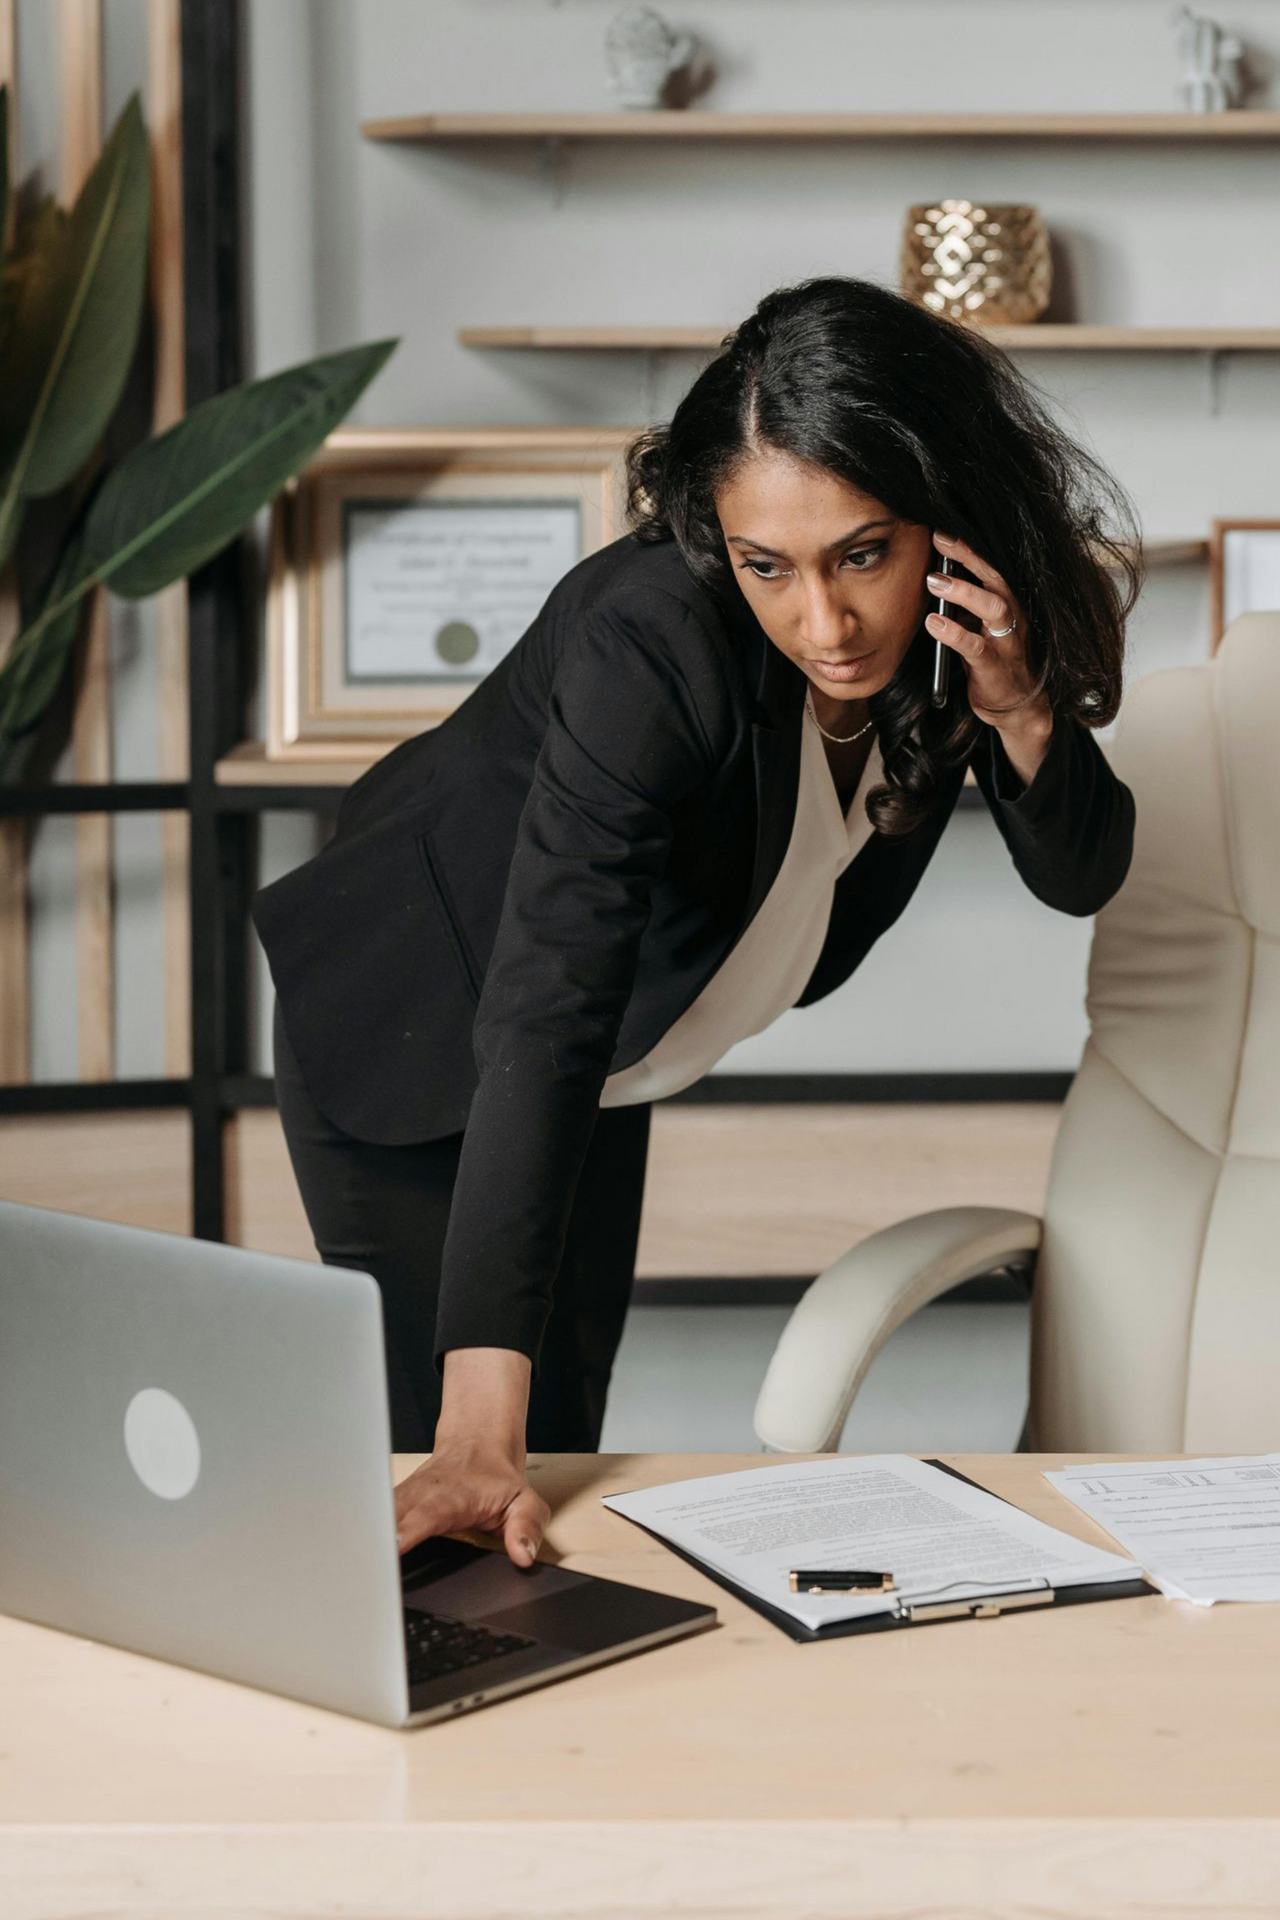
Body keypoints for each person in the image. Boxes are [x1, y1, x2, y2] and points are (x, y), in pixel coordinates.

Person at [255, 276, 1139, 1567]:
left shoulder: (955, 638)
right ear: (714, 534)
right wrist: (475, 1424)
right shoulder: (650, 646)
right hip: (421, 1027)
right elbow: (547, 1001)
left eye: (864, 556)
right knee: (457, 1479)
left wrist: (1019, 709)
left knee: (545, 1480)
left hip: (604, 1063)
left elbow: (1083, 874)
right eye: (766, 565)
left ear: (941, 521)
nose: (825, 624)